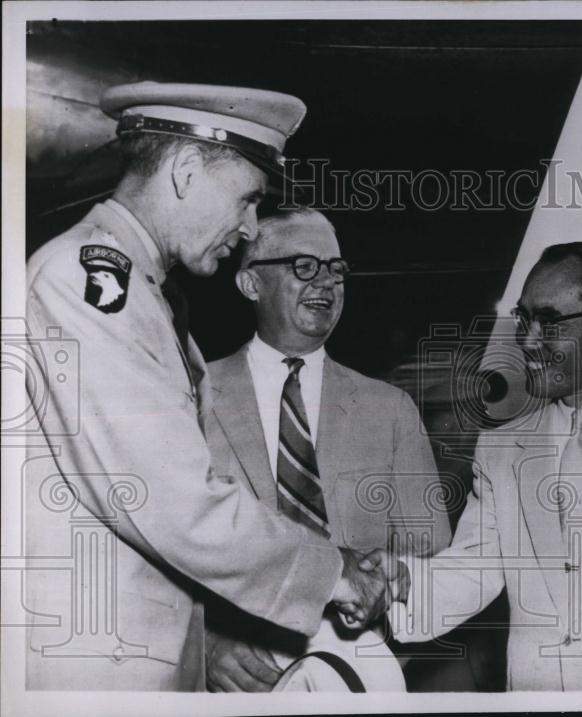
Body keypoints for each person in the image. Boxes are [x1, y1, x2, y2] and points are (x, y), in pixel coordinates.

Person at [24, 82, 390, 691]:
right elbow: (169, 497)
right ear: (187, 171)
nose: (250, 228)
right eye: (247, 199)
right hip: (90, 669)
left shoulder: (148, 296)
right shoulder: (88, 284)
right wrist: (333, 574)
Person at [366, 242, 582, 690]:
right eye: (524, 318)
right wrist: (393, 586)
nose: (528, 340)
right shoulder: (500, 445)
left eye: (550, 321)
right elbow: (473, 570)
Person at [202, 208, 455, 692]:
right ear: (251, 283)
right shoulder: (191, 397)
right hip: (235, 682)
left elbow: (430, 552)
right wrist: (207, 644)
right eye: (304, 266)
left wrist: (385, 604)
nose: (327, 283)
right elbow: (154, 552)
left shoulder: (391, 409)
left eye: (336, 270)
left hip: (355, 676)